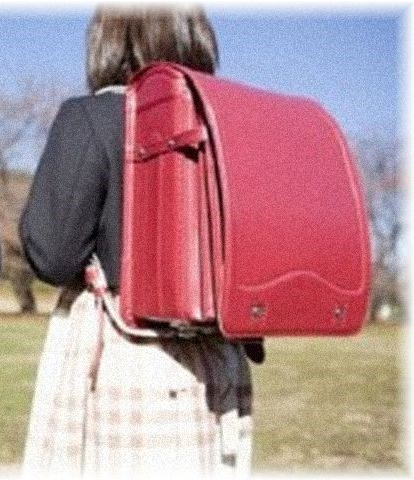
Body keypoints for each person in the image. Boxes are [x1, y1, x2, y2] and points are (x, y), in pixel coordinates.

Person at [20, 6, 262, 477]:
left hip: (123, 356)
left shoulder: (92, 116)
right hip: (220, 360)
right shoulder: (228, 121)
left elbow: (52, 255)